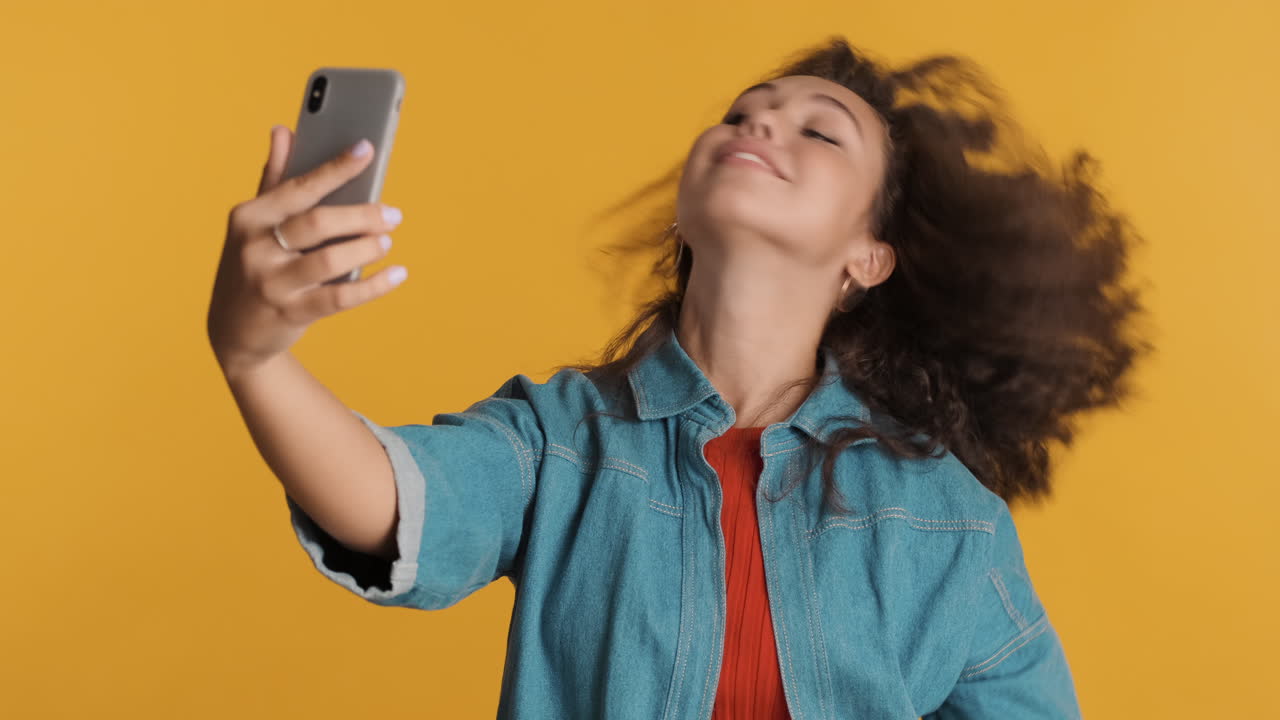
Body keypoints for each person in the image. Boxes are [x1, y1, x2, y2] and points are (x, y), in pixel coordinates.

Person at [208, 36, 1149, 719]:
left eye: (819, 133)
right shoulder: (559, 439)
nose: (760, 126)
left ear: (869, 255)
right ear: (684, 219)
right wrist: (255, 358)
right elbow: (393, 504)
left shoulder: (951, 523)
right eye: (741, 115)